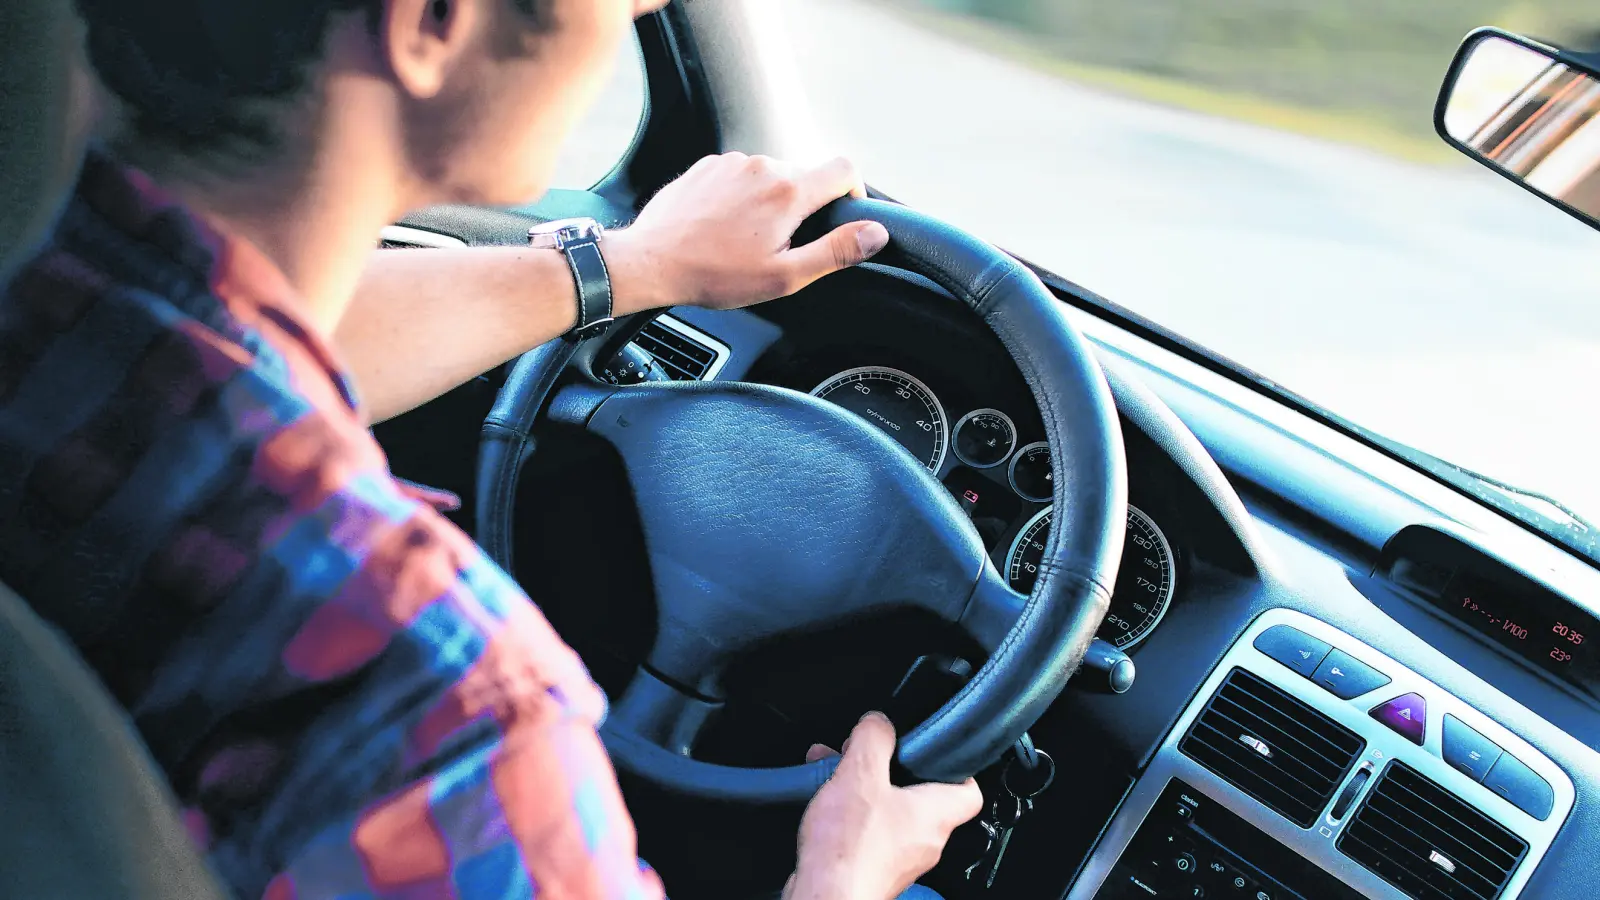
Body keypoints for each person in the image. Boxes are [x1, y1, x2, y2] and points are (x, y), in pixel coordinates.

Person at [0, 1, 984, 899]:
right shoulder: (441, 708)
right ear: (431, 22)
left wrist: (633, 266)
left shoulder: (46, 294)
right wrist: (842, 876)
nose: (643, 8)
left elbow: (235, 343)